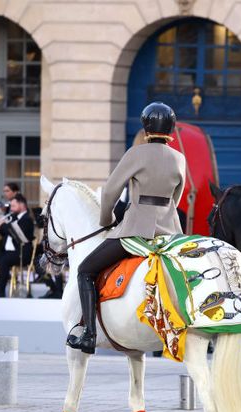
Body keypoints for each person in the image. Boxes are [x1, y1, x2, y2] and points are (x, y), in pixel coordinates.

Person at [67, 102, 185, 354]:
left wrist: (105, 219)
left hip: (136, 231)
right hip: (171, 233)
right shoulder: (179, 158)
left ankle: (89, 333)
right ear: (170, 128)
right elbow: (177, 197)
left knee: (86, 270)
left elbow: (111, 190)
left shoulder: (135, 154)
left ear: (146, 127)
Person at [0, 194, 35, 297]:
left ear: (21, 205)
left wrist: (4, 225)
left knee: (4, 261)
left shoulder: (27, 219)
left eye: (13, 206)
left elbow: (16, 234)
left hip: (21, 253)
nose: (11, 209)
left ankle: (0, 291)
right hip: (7, 253)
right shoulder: (12, 217)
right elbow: (4, 234)